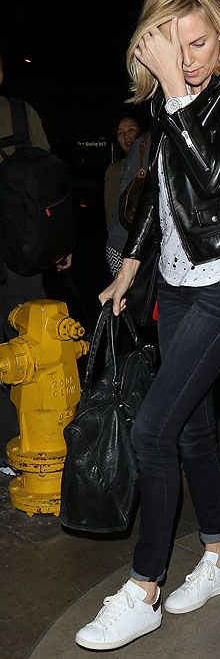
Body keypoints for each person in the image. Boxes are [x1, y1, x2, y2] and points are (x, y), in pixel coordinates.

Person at [74, 0, 220, 651]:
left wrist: (173, 94)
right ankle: (219, 556)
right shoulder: (172, 109)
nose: (189, 61)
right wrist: (130, 268)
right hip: (175, 281)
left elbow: (216, 176)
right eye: (174, 49)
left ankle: (143, 590)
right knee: (190, 431)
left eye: (198, 45)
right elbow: (164, 198)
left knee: (152, 430)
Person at [0, 51, 72, 471]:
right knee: (29, 353)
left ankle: (20, 445)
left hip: (19, 258)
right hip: (22, 259)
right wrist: (58, 245)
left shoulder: (23, 112)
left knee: (20, 357)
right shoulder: (22, 114)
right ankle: (25, 443)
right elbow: (52, 190)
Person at [105, 116, 151, 276]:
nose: (126, 136)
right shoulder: (114, 170)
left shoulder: (150, 161)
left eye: (131, 129)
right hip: (119, 247)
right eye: (120, 133)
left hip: (146, 250)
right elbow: (110, 214)